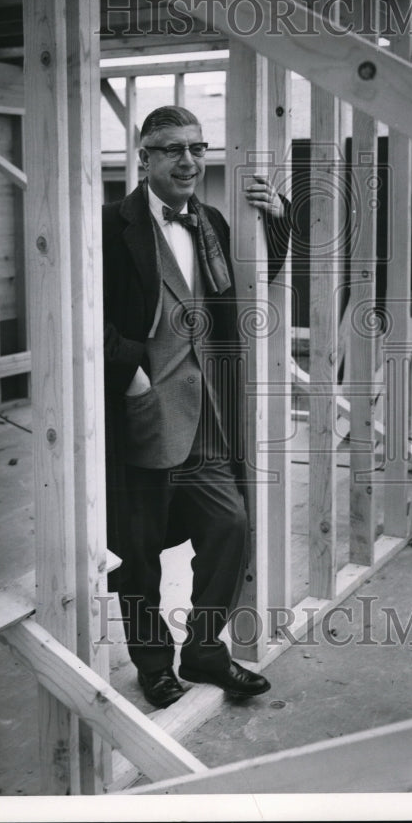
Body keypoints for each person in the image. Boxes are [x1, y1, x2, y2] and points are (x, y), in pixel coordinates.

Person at [102, 105, 291, 709]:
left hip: (208, 412)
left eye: (197, 148)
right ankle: (152, 664)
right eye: (172, 149)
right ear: (144, 158)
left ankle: (205, 650)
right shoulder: (111, 225)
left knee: (230, 525)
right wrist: (131, 379)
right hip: (145, 412)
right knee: (138, 554)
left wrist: (278, 219)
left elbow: (260, 278)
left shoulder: (211, 221)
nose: (188, 160)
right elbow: (85, 315)